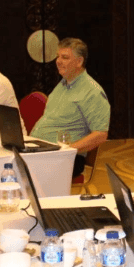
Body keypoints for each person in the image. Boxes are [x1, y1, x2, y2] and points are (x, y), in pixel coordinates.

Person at [31, 38, 111, 178]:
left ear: (79, 61)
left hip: (66, 158)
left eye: (65, 57)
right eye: (58, 56)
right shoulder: (62, 85)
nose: (58, 61)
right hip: (43, 153)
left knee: (14, 172)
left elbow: (100, 135)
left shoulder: (92, 91)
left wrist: (66, 151)